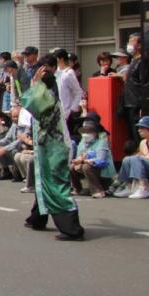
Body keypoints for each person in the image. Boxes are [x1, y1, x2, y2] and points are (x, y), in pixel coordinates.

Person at [21, 66, 84, 240]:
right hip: (49, 149)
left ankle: (72, 229)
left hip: (54, 152)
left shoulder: (47, 100)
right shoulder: (49, 98)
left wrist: (35, 84)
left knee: (56, 187)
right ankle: (37, 218)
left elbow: (29, 101)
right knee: (43, 183)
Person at [113, 115, 149, 198]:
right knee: (127, 159)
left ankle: (144, 187)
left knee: (136, 158)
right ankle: (129, 186)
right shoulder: (143, 142)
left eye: (142, 128)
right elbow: (141, 156)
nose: (139, 130)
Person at [70, 115, 115, 198]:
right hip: (89, 169)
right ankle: (77, 189)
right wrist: (78, 161)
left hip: (103, 173)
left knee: (86, 167)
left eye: (89, 132)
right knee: (72, 166)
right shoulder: (82, 143)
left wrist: (83, 161)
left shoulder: (102, 142)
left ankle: (98, 191)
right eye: (84, 132)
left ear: (95, 133)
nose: (85, 134)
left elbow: (101, 161)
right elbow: (80, 156)